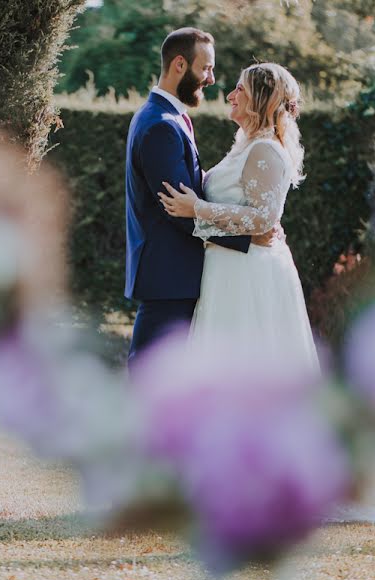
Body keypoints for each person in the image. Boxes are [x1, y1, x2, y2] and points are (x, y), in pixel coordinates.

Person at [124, 28, 277, 370]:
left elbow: (193, 191)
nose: (211, 78)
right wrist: (248, 235)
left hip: (176, 273)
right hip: (169, 275)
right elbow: (177, 209)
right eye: (206, 68)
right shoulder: (161, 125)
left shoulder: (169, 118)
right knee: (152, 373)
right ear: (180, 64)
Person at [157, 62, 318, 372]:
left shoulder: (265, 150)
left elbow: (263, 220)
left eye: (240, 89)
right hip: (229, 266)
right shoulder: (246, 145)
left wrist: (197, 209)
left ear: (261, 98)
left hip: (249, 273)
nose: (231, 95)